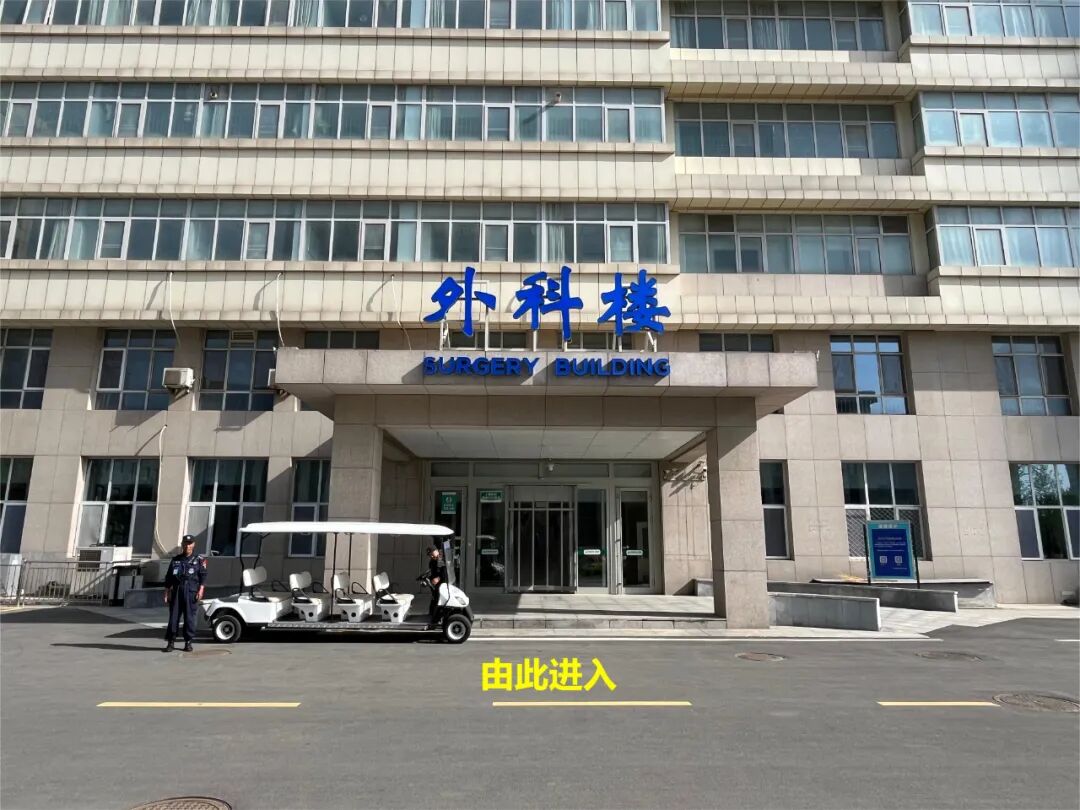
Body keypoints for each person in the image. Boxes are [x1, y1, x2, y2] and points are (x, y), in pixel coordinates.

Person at [163, 535, 207, 652]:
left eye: (190, 543)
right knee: (173, 617)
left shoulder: (199, 560)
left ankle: (188, 642)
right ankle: (171, 642)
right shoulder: (176, 560)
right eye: (186, 543)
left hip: (191, 591)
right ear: (182, 544)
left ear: (193, 544)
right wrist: (166, 592)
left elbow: (202, 576)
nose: (188, 546)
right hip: (177, 590)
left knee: (190, 618)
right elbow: (169, 577)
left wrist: (201, 590)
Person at [426, 545, 448, 626]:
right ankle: (431, 615)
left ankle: (436, 619)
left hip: (442, 584)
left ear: (436, 551)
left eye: (432, 554)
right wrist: (428, 578)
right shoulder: (432, 562)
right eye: (430, 555)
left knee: (437, 600)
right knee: (434, 599)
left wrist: (438, 578)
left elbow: (444, 574)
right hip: (435, 585)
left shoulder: (441, 560)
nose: (431, 556)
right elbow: (432, 572)